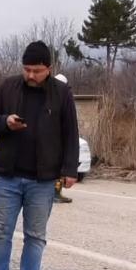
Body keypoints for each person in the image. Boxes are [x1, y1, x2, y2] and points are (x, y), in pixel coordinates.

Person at [0, 41, 79, 270]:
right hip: (8, 175)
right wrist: (5, 122)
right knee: (1, 232)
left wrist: (71, 169)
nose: (31, 75)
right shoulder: (9, 86)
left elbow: (71, 132)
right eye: (27, 69)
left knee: (35, 235)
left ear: (48, 68)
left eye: (36, 70)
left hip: (43, 179)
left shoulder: (61, 93)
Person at [53, 73, 74, 204]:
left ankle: (55, 192)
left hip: (56, 140)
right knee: (57, 168)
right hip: (56, 141)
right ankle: (55, 193)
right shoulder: (58, 99)